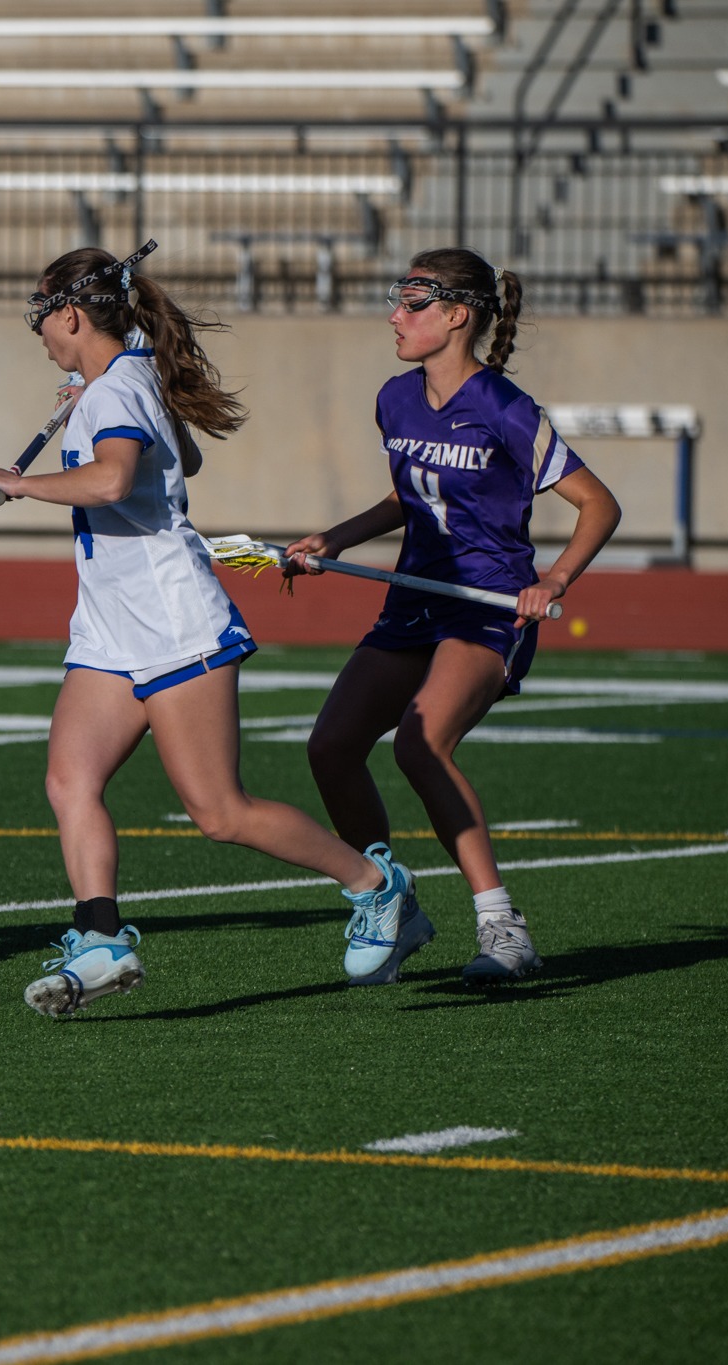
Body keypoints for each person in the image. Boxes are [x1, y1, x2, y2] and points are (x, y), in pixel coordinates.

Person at [0, 242, 417, 1018]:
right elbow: (183, 456)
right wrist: (92, 397)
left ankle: (376, 884)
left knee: (221, 812)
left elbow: (114, 480)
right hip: (110, 628)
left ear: (71, 315)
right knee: (70, 780)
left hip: (174, 623)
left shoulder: (120, 388)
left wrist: (23, 484)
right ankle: (101, 939)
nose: (38, 332)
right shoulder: (123, 382)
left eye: (40, 315)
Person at [285, 249, 621, 984]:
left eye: (411, 304)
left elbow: (599, 504)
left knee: (420, 743)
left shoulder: (504, 406)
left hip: (487, 605)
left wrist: (555, 577)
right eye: (397, 301)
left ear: (456, 314)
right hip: (415, 600)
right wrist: (333, 538)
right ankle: (389, 903)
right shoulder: (395, 398)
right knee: (331, 746)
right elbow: (409, 495)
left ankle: (503, 926)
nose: (394, 317)